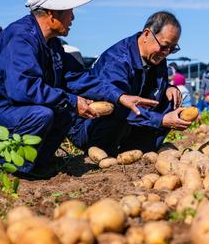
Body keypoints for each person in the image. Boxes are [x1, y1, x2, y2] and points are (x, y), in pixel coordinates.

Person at [0, 0, 146, 178]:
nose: (73, 17)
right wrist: (73, 101)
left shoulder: (51, 43)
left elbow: (76, 78)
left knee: (62, 113)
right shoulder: (22, 39)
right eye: (70, 11)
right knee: (42, 114)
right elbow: (23, 89)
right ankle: (13, 172)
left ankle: (38, 166)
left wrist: (119, 96)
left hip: (7, 116)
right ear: (52, 13)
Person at [68, 11, 189, 155]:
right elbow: (121, 105)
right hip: (90, 126)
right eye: (164, 46)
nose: (166, 53)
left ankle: (139, 151)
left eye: (172, 49)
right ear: (146, 35)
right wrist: (161, 120)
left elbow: (151, 91)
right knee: (114, 106)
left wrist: (169, 88)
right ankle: (102, 152)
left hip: (126, 123)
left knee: (171, 99)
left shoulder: (157, 57)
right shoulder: (117, 61)